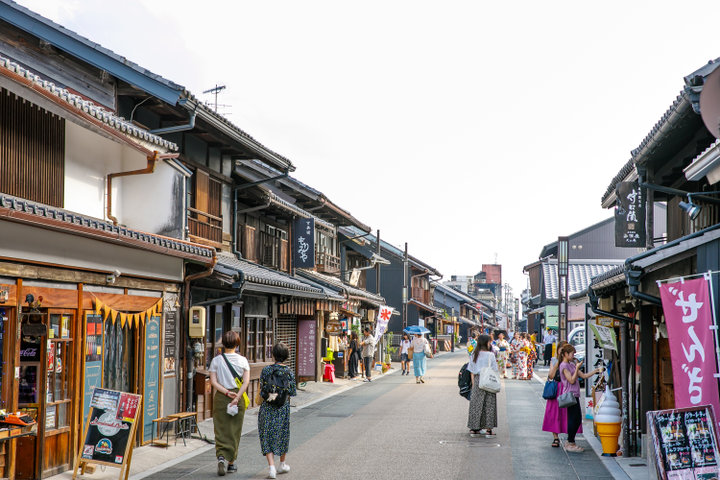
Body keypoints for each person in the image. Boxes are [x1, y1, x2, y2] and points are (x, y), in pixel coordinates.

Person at [208, 331, 250, 476]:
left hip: (221, 397)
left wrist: (226, 393)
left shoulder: (216, 360)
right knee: (235, 430)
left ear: (223, 344)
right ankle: (231, 462)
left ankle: (220, 457)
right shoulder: (243, 360)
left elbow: (213, 382)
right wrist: (237, 397)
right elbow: (246, 382)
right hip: (238, 398)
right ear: (237, 343)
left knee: (220, 429)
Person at [258, 342, 297, 479]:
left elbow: (262, 390)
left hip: (267, 407)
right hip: (282, 407)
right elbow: (292, 392)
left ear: (273, 355)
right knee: (282, 434)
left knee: (267, 435)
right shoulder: (289, 372)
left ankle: (271, 467)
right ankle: (282, 463)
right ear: (286, 356)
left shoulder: (266, 370)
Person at [559, 343, 603, 453]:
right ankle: (570, 442)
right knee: (574, 418)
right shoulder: (564, 366)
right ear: (565, 354)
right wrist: (577, 367)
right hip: (570, 395)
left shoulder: (571, 364)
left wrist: (595, 371)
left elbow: (583, 376)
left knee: (577, 418)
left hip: (575, 394)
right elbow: (571, 380)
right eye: (572, 353)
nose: (574, 355)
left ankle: (571, 441)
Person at [467, 334, 499, 438]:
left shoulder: (474, 354)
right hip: (488, 380)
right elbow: (495, 369)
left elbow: (471, 370)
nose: (490, 344)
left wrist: (473, 384)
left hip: (477, 380)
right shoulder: (491, 355)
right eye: (489, 342)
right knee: (489, 405)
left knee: (476, 405)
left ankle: (474, 428)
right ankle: (488, 430)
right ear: (486, 343)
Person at [541, 340, 569, 447]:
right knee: (554, 413)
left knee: (567, 413)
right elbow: (551, 376)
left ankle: (570, 437)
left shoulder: (570, 361)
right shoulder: (554, 360)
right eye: (561, 349)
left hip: (567, 388)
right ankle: (555, 437)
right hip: (557, 388)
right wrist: (558, 362)